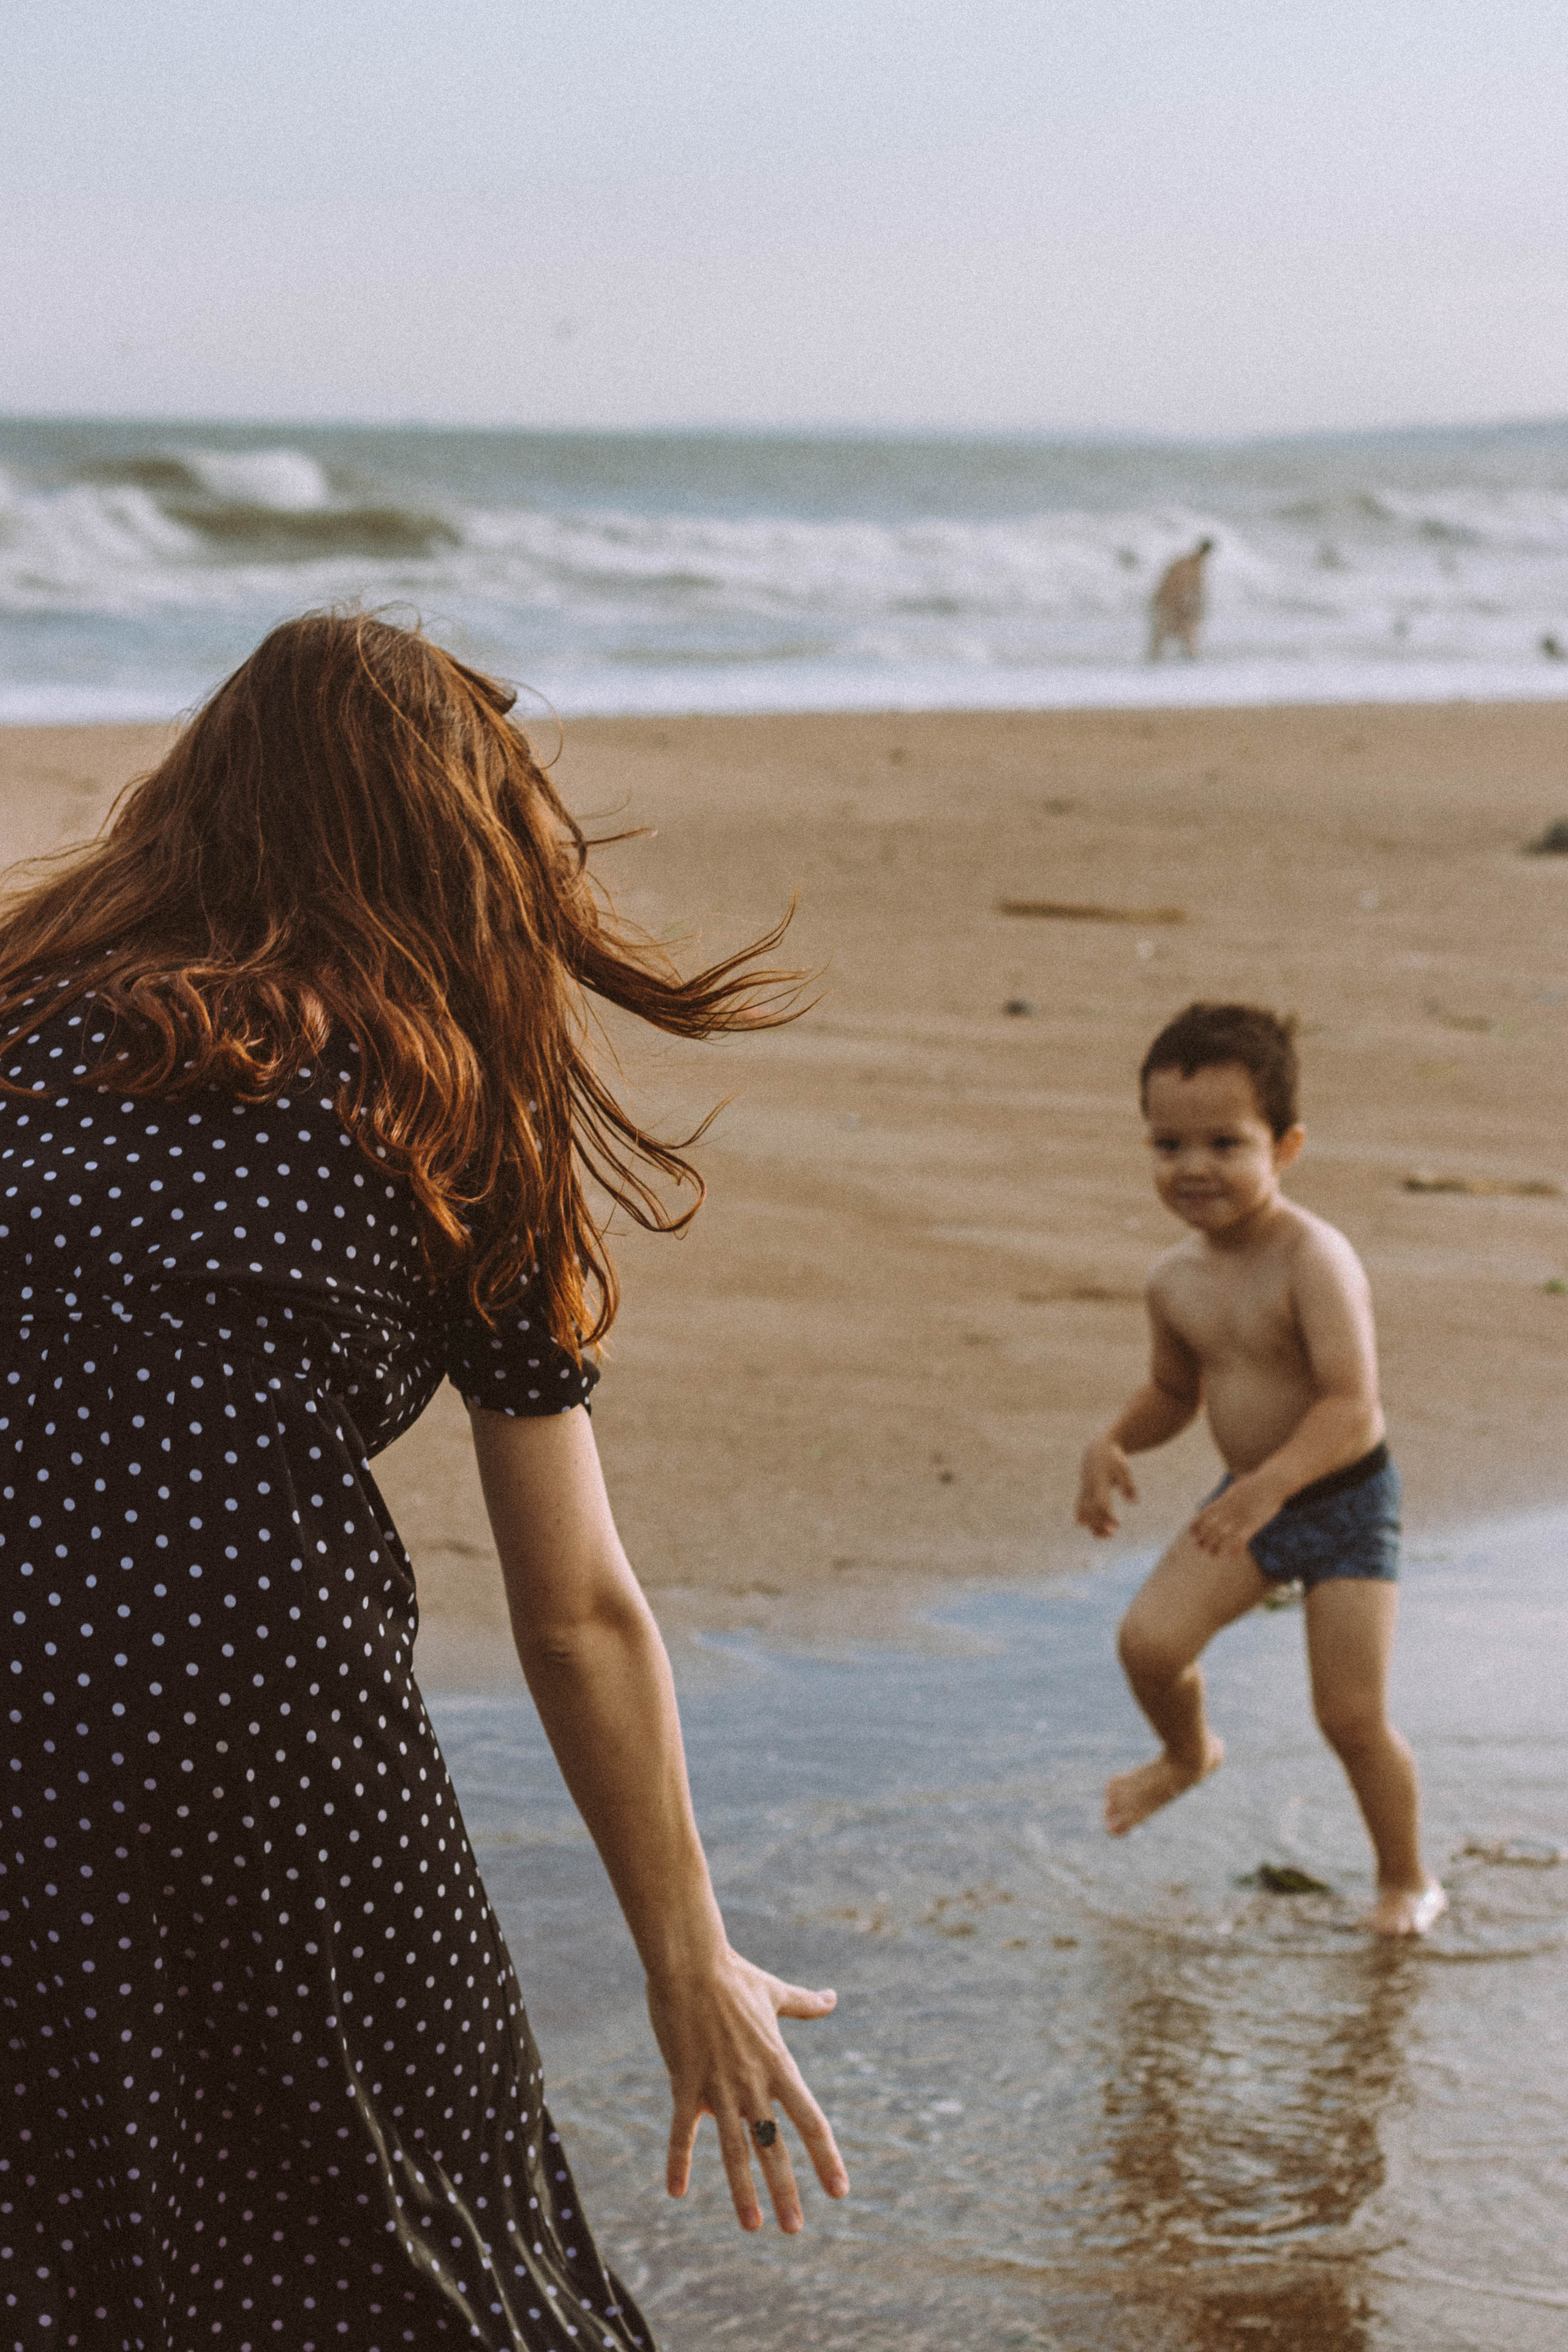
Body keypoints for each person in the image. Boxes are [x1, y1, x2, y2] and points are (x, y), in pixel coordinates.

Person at [0, 612, 849, 2349]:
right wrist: (685, 1951)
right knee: (423, 2253)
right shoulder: (439, 1090)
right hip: (263, 1728)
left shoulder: (20, 1032)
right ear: (460, 833)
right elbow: (578, 1610)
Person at [1074, 1003, 1445, 1938]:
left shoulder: (1313, 1258)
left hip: (1344, 1502)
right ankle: (1189, 1754)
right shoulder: (1175, 1280)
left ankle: (1407, 1880)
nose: (1194, 1166)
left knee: (1350, 1717)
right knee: (1149, 1646)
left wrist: (1266, 1488)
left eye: (1226, 1143)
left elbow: (1350, 1404)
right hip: (1248, 1504)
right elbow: (1173, 1391)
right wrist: (1113, 1437)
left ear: (1286, 1147)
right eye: (1169, 1144)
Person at [1148, 537, 1214, 660]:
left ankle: (1157, 658)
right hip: (1173, 604)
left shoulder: (1184, 563)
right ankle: (1187, 659)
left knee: (1164, 634)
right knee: (1176, 633)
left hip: (1169, 603)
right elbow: (1192, 590)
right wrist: (1194, 607)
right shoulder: (1191, 566)